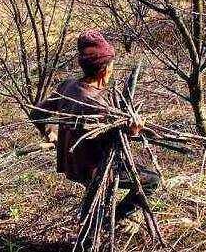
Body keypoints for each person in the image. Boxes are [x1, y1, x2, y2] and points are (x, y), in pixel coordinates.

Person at [30, 29, 160, 221]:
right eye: (112, 65)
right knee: (151, 180)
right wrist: (132, 130)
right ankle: (112, 219)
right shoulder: (97, 104)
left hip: (70, 162)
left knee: (98, 200)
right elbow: (114, 138)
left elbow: (37, 113)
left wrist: (52, 134)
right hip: (94, 168)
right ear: (104, 69)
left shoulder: (68, 85)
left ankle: (94, 223)